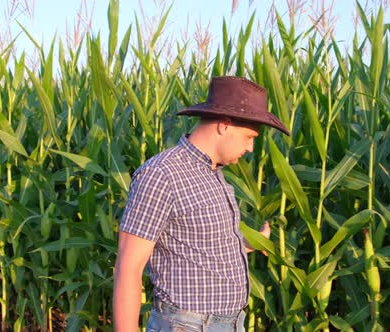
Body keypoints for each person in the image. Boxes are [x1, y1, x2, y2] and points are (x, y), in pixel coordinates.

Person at [113, 76, 290, 332]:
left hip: (228, 324)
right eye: (249, 137)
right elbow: (128, 267)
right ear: (224, 125)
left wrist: (250, 243)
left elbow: (199, 243)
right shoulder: (162, 174)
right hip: (188, 325)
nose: (251, 147)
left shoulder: (214, 174)